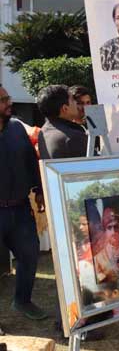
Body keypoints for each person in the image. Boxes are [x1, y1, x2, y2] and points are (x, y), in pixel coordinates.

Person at [0, 85, 46, 321]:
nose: (9, 103)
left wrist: (38, 189)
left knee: (29, 254)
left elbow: (31, 161)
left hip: (19, 208)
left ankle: (23, 300)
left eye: (7, 98)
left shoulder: (17, 128)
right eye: (4, 100)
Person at [36, 85, 87, 159]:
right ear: (65, 108)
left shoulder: (44, 132)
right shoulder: (73, 137)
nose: (76, 102)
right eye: (73, 100)